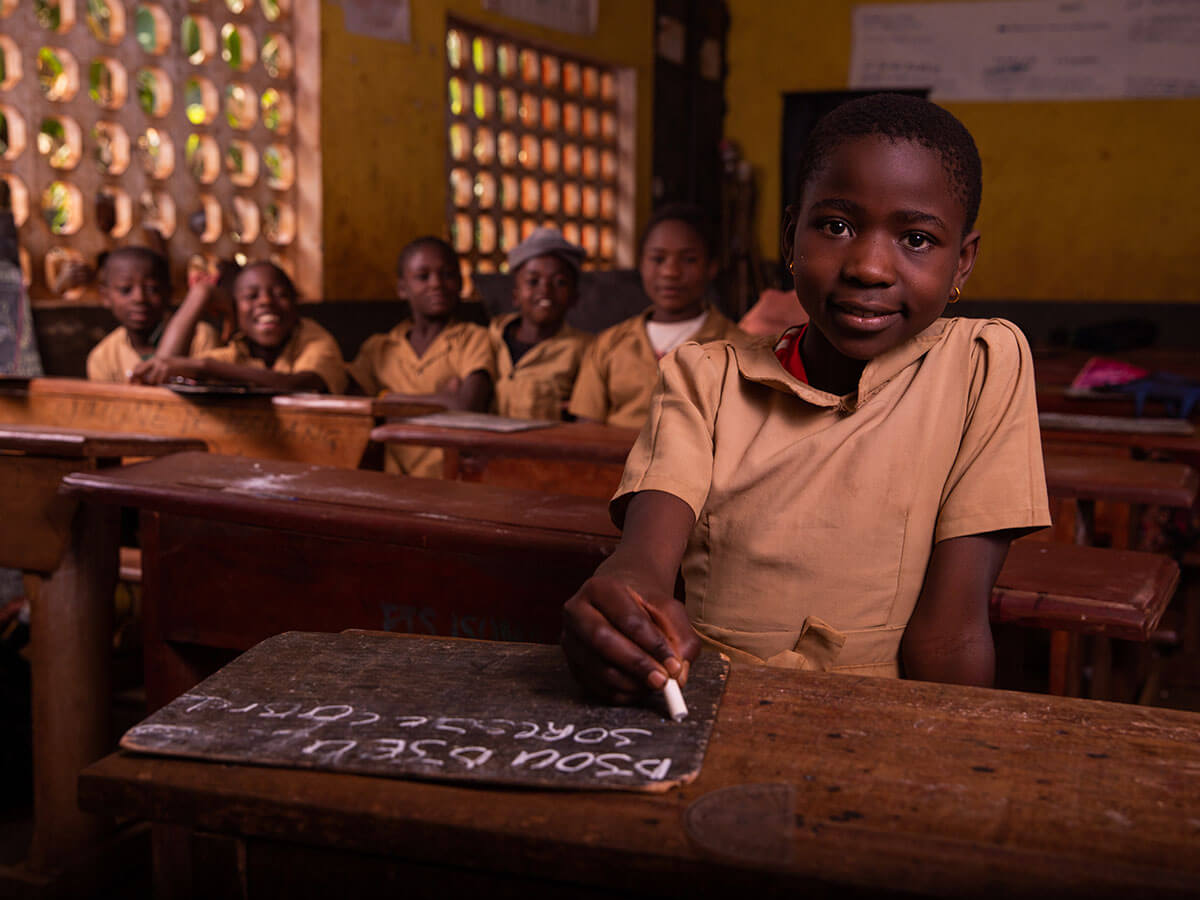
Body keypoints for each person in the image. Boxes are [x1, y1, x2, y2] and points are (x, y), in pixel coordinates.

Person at [562, 93, 1051, 701]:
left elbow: (950, 634)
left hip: (887, 718)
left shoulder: (980, 365)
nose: (870, 267)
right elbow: (643, 562)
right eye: (836, 226)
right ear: (791, 238)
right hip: (705, 703)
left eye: (918, 239)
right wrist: (626, 601)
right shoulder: (704, 377)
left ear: (963, 262)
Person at [567, 204, 746, 429]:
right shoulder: (608, 344)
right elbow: (587, 432)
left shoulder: (740, 348)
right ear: (641, 263)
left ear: (711, 267)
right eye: (658, 259)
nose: (670, 272)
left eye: (689, 260)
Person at [346, 236, 495, 476]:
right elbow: (355, 406)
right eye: (423, 276)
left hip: (453, 480)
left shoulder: (473, 339)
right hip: (393, 480)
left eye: (447, 275)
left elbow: (466, 406)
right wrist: (442, 399)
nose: (436, 284)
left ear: (460, 283)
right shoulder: (379, 348)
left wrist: (385, 400)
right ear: (402, 288)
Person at [132, 261, 346, 393]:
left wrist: (203, 367)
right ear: (235, 310)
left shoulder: (314, 339)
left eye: (280, 295)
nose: (265, 302)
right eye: (251, 296)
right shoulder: (235, 353)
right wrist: (200, 295)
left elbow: (299, 385)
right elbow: (162, 371)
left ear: (296, 305)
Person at [489, 227, 592, 420]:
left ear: (574, 297)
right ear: (515, 295)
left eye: (560, 282)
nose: (545, 289)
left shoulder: (586, 351)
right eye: (533, 281)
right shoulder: (491, 337)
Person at [86, 246, 219, 383]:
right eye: (125, 290)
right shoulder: (103, 357)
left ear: (169, 292)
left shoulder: (200, 336)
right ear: (105, 296)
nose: (139, 298)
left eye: (152, 289)